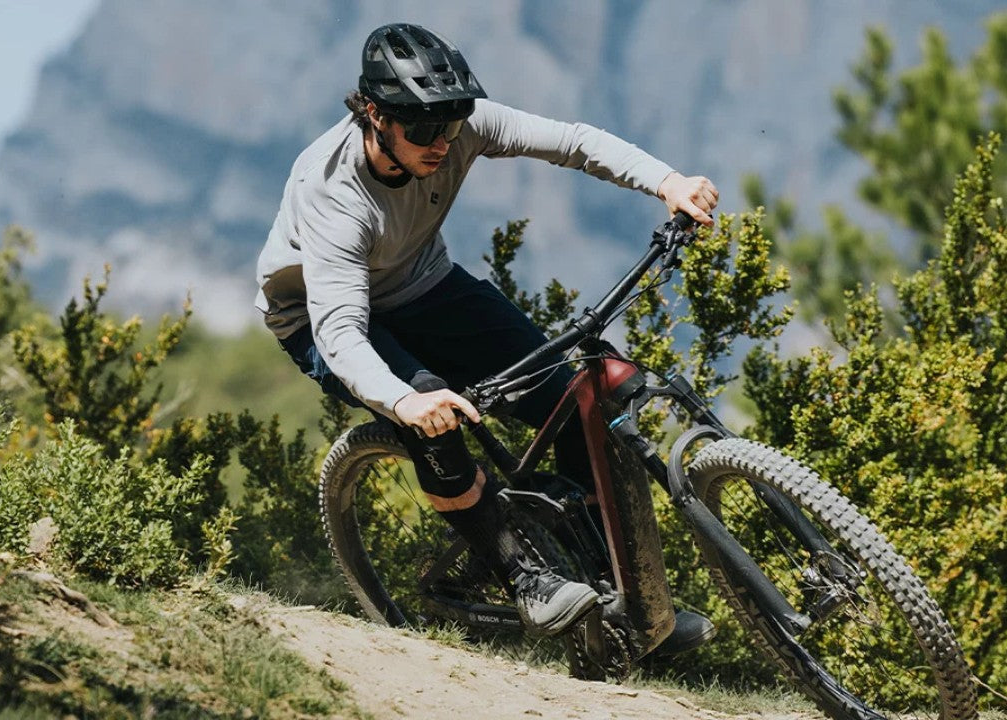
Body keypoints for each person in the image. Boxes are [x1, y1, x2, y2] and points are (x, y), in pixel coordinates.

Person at [255, 23, 719, 648]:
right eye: (421, 129)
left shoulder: (454, 122)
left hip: (424, 287)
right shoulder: (333, 192)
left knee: (575, 403)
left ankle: (625, 604)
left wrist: (666, 182)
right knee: (431, 416)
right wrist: (406, 401)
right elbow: (340, 330)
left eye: (450, 125)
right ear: (372, 114)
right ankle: (522, 576)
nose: (441, 142)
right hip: (318, 316)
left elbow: (573, 142)